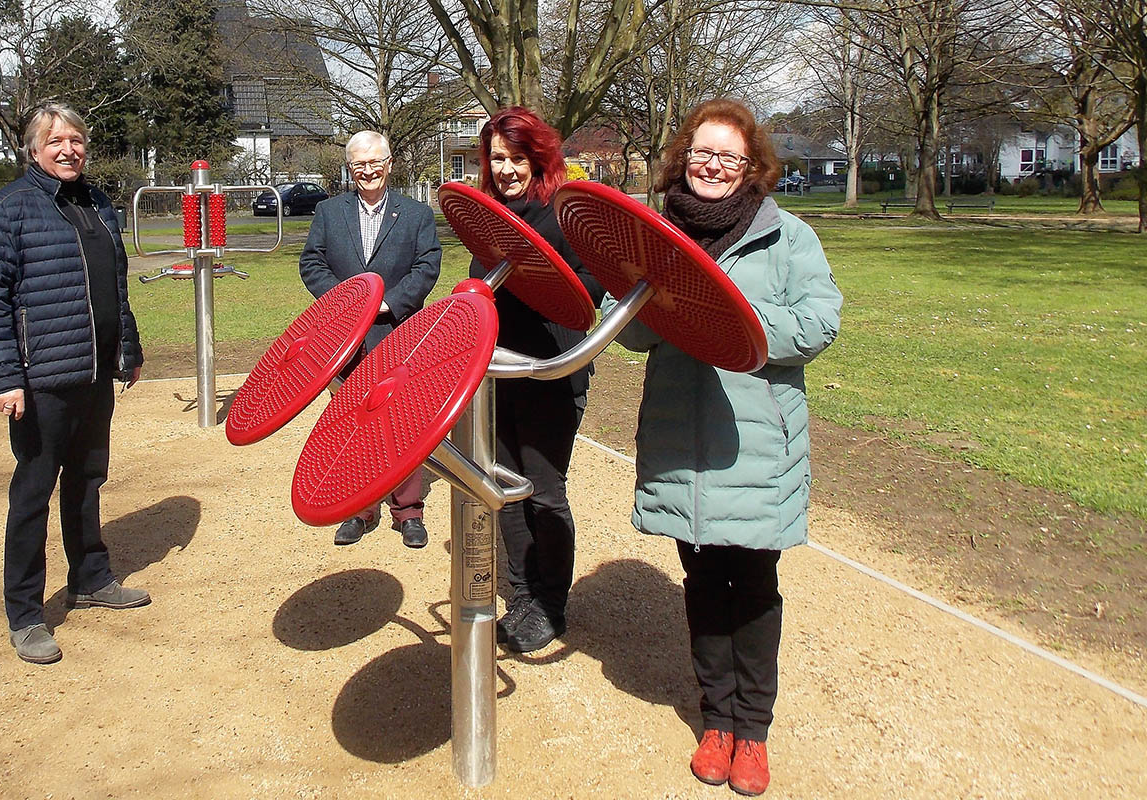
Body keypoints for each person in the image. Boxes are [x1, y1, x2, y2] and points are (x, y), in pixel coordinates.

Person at [605, 98, 842, 795]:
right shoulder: (659, 236)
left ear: (752, 167)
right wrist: (644, 301)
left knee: (755, 587)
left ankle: (755, 732)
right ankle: (716, 721)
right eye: (702, 154)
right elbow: (635, 335)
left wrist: (730, 319)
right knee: (705, 583)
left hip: (758, 443)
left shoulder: (786, 235)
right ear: (684, 160)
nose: (713, 167)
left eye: (728, 157)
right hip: (683, 439)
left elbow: (818, 323)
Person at [0, 104, 150, 665]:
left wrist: (128, 349)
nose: (68, 149)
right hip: (40, 381)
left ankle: (90, 578)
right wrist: (5, 380)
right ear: (34, 149)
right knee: (32, 495)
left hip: (94, 374)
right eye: (56, 140)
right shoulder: (7, 211)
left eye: (77, 139)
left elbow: (115, 287)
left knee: (89, 479)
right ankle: (24, 614)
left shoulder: (97, 204)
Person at [471, 107, 604, 653]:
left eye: (516, 159)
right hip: (498, 375)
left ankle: (551, 602)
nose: (505, 170)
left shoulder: (563, 214)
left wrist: (547, 288)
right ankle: (524, 594)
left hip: (550, 371)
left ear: (540, 158)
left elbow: (590, 287)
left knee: (545, 490)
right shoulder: (490, 219)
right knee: (505, 485)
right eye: (497, 159)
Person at [299, 130, 441, 549]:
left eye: (375, 161)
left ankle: (408, 511)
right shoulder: (328, 212)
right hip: (344, 337)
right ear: (349, 167)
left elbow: (428, 264)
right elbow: (311, 262)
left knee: (404, 423)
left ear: (390, 163)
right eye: (359, 163)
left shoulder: (416, 215)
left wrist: (387, 304)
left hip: (398, 331)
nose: (367, 170)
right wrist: (348, 302)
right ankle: (359, 508)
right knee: (351, 423)